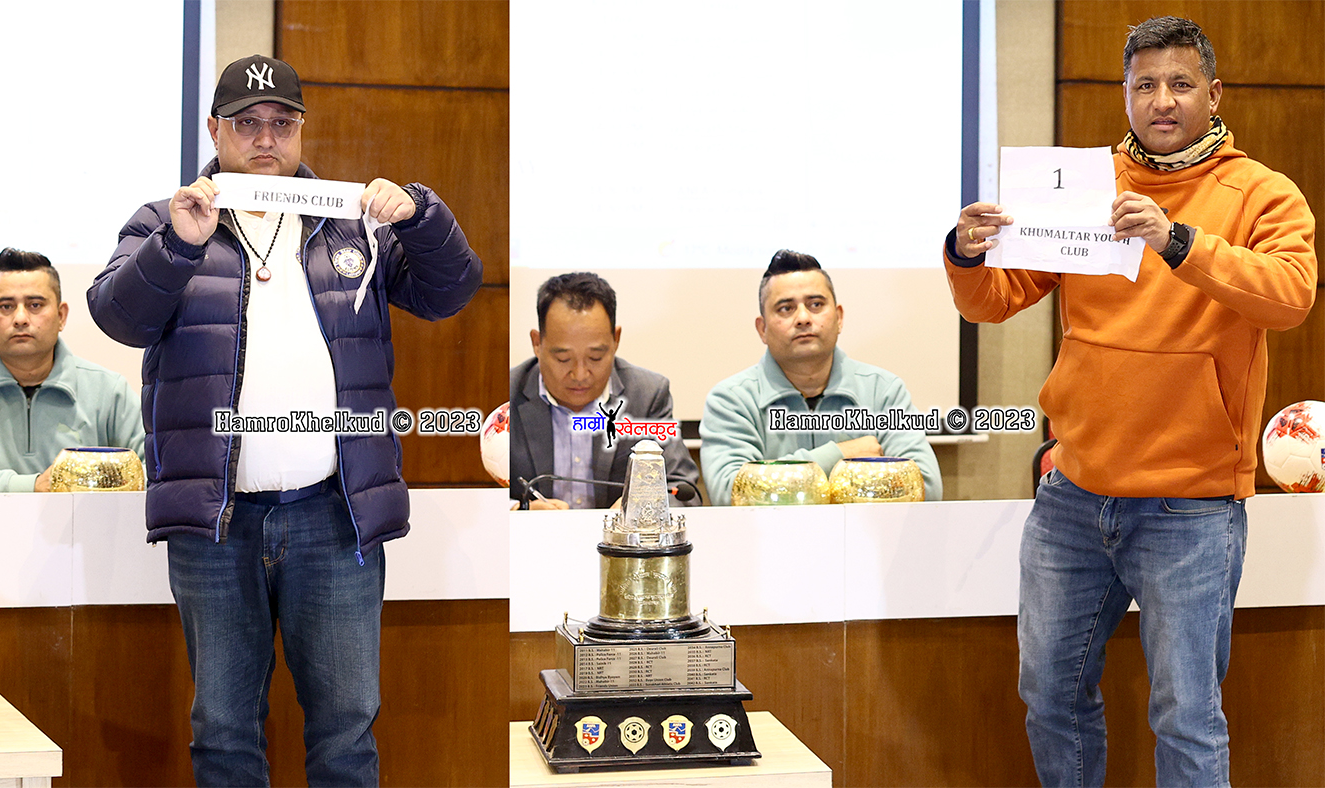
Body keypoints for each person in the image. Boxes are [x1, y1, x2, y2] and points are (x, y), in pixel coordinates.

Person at [87, 55, 482, 786]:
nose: (265, 138)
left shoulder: (352, 221)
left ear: (301, 128)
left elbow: (449, 292)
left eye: (282, 122)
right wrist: (178, 246)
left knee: (347, 731)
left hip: (334, 516)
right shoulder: (166, 219)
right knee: (223, 731)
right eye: (246, 123)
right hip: (216, 521)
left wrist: (421, 215)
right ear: (215, 131)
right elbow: (118, 317)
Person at [946, 17, 1315, 786]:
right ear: (1125, 95)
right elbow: (995, 301)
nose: (1162, 100)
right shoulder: (1087, 185)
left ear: (1214, 94)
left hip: (1191, 507)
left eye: (1180, 83)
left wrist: (1176, 240)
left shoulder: (1263, 192)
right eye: (1145, 85)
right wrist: (966, 254)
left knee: (1186, 715)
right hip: (1073, 495)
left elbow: (1290, 297)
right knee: (1049, 693)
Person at [701, 250, 942, 504]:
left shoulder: (883, 390)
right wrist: (839, 456)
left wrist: (778, 483)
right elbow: (731, 494)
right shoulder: (731, 399)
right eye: (786, 308)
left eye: (816, 305)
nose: (803, 318)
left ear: (839, 318)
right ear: (763, 329)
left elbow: (926, 487)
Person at [0, 248, 143, 492]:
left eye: (35, 305)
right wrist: (32, 486)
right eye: (6, 306)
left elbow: (152, 469)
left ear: (61, 316)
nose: (20, 318)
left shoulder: (108, 390)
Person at [509, 272, 700, 509]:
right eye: (563, 359)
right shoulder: (504, 396)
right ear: (537, 343)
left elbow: (682, 490)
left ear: (616, 339)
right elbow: (475, 495)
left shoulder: (647, 395)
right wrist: (518, 510)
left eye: (595, 357)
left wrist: (643, 508)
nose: (580, 374)